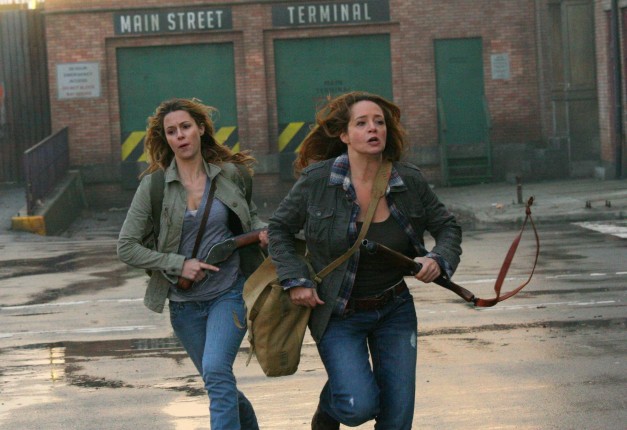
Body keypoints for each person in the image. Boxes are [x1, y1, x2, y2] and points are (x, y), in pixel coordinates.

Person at [267, 91, 462, 429]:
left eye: (379, 122)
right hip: (337, 311)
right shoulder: (318, 181)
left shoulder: (408, 180)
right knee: (358, 406)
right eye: (362, 123)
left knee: (396, 417)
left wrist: (438, 259)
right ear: (344, 135)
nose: (373, 128)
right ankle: (331, 406)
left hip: (394, 309)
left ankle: (345, 387)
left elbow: (447, 227)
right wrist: (296, 279)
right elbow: (278, 230)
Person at [117, 98, 267, 429]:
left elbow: (250, 217)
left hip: (229, 293)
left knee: (216, 370)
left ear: (200, 128)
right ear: (166, 139)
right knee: (219, 381)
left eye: (185, 127)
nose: (180, 136)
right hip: (184, 305)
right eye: (172, 131)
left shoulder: (231, 175)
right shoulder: (154, 186)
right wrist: (177, 263)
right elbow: (126, 247)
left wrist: (263, 233)